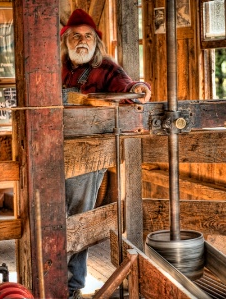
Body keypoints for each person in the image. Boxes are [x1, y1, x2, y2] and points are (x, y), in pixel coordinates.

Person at [60, 8, 151, 299]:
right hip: (53, 151)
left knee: (77, 219)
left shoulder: (106, 68)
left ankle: (71, 287)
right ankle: (48, 280)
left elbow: (129, 87)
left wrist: (139, 88)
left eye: (88, 36)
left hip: (87, 155)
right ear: (66, 40)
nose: (82, 41)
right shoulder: (54, 67)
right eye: (76, 36)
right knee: (50, 216)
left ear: (96, 41)